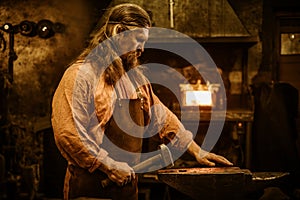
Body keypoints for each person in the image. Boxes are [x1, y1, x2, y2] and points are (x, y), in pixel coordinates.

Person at [51, 3, 233, 200]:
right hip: (91, 189)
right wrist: (109, 166)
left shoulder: (135, 80)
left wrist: (197, 151)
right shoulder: (81, 76)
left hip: (128, 189)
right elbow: (68, 134)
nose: (142, 49)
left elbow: (161, 117)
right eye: (138, 40)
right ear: (118, 31)